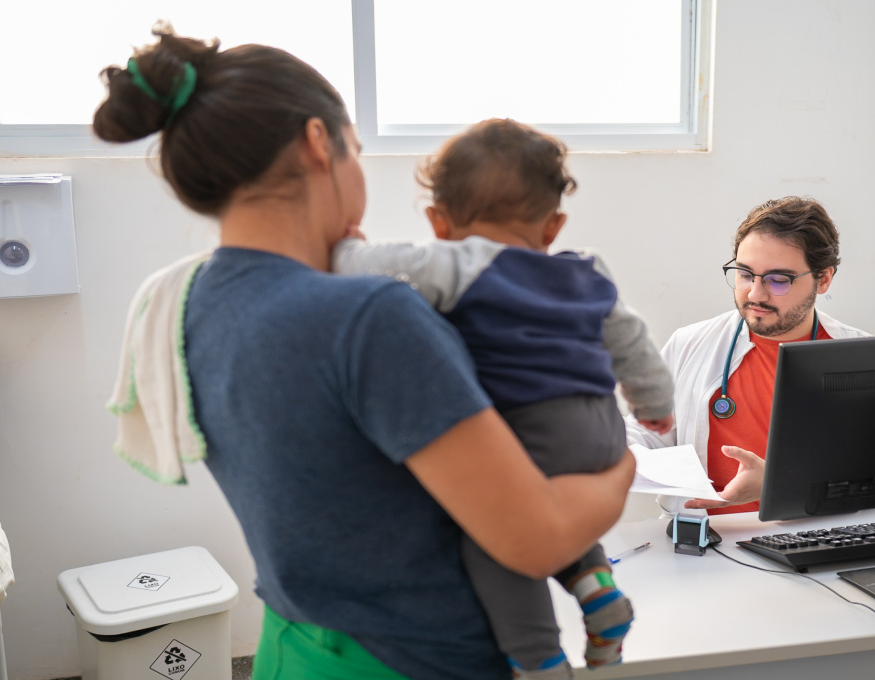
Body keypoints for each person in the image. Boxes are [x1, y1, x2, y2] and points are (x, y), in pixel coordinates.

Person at [94, 27, 634, 680]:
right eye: (355, 149)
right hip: (416, 662)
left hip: (291, 650)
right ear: (318, 143)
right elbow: (536, 537)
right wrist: (623, 464)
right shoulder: (370, 318)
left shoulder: (184, 299)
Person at [332, 118, 673, 679]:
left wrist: (349, 241)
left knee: (494, 536)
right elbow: (631, 339)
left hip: (531, 424)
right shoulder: (586, 271)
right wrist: (653, 404)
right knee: (558, 511)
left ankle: (537, 658)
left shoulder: (457, 263)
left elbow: (356, 266)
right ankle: (598, 593)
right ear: (553, 225)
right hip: (601, 428)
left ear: (438, 222)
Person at [625, 197, 869, 516]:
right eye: (744, 274)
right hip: (703, 544)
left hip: (811, 537)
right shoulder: (690, 344)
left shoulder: (860, 360)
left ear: (823, 278)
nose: (755, 294)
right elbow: (648, 432)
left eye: (778, 280)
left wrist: (781, 482)